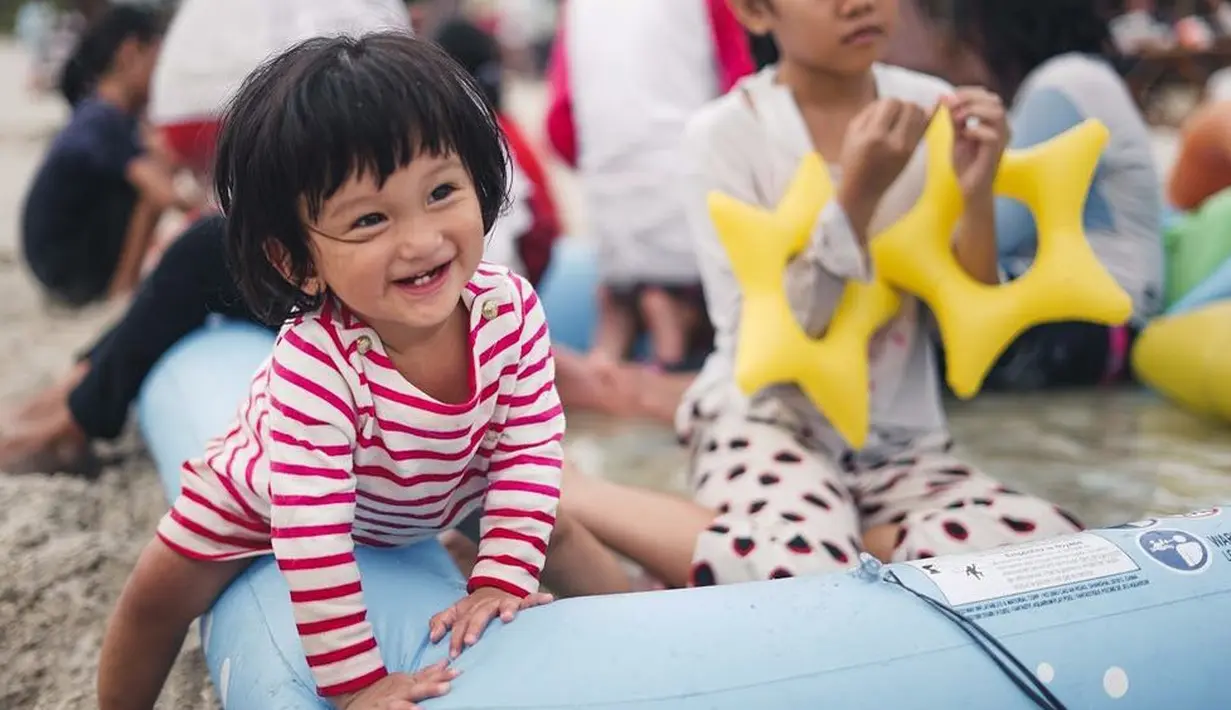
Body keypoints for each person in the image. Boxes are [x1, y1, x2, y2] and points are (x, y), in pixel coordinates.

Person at [96, 33, 631, 710]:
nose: (421, 240)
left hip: (437, 479)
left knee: (553, 525)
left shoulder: (509, 311)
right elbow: (313, 539)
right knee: (154, 594)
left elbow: (527, 451)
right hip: (271, 496)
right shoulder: (318, 367)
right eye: (370, 219)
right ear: (298, 262)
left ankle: (646, 625)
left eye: (441, 191)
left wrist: (500, 575)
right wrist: (358, 685)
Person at [560, 0, 1083, 590]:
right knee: (800, 576)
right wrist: (856, 197)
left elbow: (969, 297)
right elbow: (776, 334)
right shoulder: (727, 136)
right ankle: (583, 494)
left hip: (896, 441)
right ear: (756, 13)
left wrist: (978, 188)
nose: (857, 5)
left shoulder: (929, 104)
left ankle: (843, 545)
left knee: (1047, 544)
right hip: (769, 420)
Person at [0, 16, 654, 478]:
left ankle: (78, 404)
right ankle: (79, 394)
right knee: (206, 249)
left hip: (460, 295)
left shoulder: (453, 143)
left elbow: (491, 266)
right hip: (447, 290)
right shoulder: (432, 119)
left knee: (205, 250)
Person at [940, 0, 1165, 390]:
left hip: (1096, 324)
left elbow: (996, 231)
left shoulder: (1064, 83)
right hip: (1101, 324)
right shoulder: (1078, 79)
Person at [545, 0, 755, 376]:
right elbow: (741, 90)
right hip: (690, 204)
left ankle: (608, 355)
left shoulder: (578, 8)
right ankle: (673, 340)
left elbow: (560, 125)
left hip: (609, 213)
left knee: (617, 315)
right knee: (684, 329)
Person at [21, 4, 200, 307]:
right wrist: (215, 213)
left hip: (55, 259)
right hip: (67, 266)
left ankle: (125, 282)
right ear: (130, 53)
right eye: (158, 59)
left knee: (154, 165)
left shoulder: (102, 114)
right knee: (151, 186)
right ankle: (123, 290)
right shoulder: (102, 119)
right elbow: (165, 194)